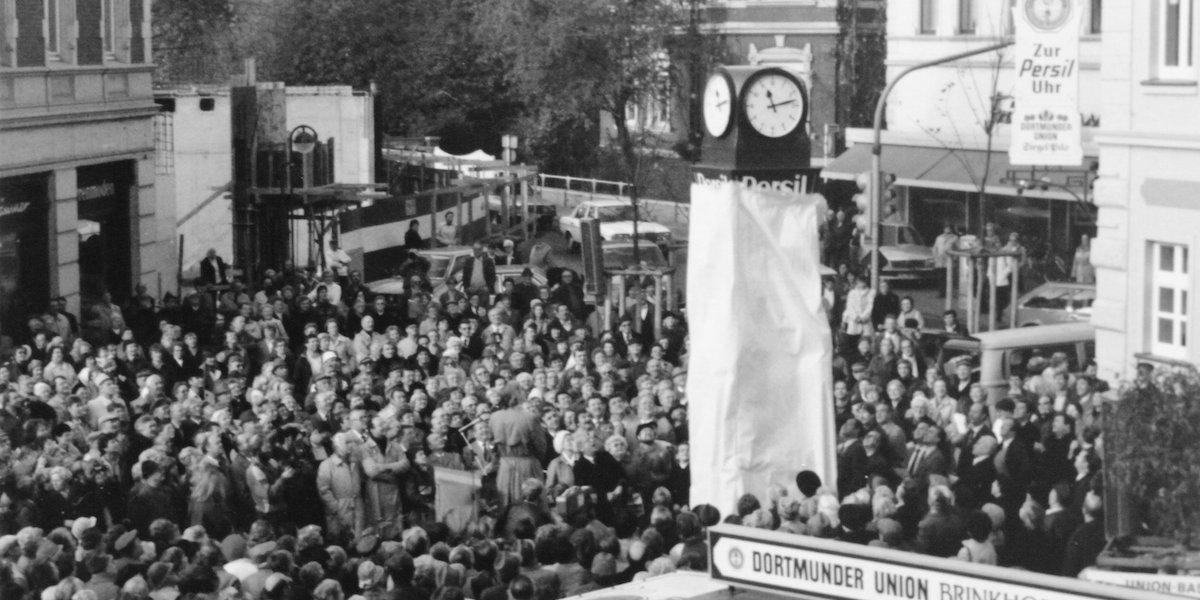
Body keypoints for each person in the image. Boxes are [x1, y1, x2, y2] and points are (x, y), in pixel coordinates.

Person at [489, 398, 548, 506]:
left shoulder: (494, 417)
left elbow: (492, 443)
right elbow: (540, 446)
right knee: (531, 498)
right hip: (527, 464)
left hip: (505, 465)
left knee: (505, 501)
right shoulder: (529, 417)